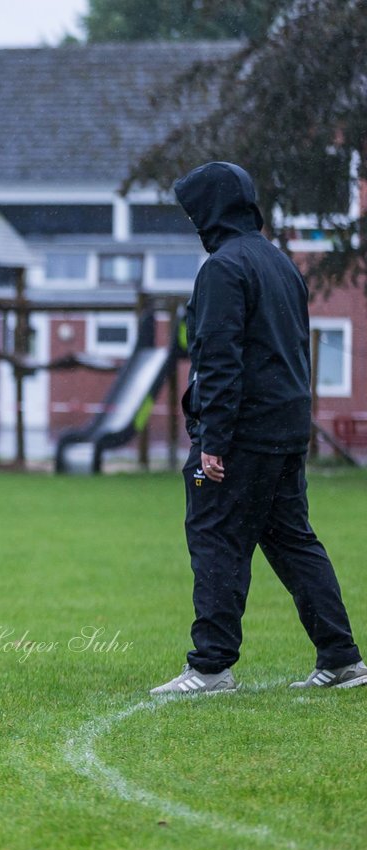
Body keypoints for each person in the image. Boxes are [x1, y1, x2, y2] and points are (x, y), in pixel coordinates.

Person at [151, 161, 365, 695]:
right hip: (286, 431)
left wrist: (213, 442)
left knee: (215, 540)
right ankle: (341, 659)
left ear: (210, 210)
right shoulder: (281, 264)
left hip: (239, 435)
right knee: (294, 542)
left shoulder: (224, 268)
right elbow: (289, 351)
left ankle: (210, 667)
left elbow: (220, 360)